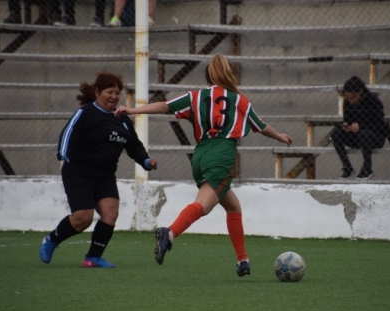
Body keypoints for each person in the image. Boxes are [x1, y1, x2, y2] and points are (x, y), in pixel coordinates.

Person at [113, 54, 293, 277]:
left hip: (200, 154)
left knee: (233, 207)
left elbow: (163, 106)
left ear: (207, 76)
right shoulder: (239, 100)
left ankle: (243, 261)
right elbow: (260, 125)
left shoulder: (196, 97)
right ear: (229, 74)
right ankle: (168, 234)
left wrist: (132, 110)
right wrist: (279, 137)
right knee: (204, 206)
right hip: (222, 154)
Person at [39, 71, 158, 268]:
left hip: (105, 176)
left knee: (110, 214)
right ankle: (51, 240)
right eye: (109, 92)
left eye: (117, 93)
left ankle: (92, 257)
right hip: (79, 173)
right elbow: (68, 134)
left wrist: (146, 161)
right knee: (82, 219)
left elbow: (133, 145)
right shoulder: (86, 113)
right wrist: (63, 153)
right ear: (97, 92)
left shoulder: (122, 119)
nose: (114, 96)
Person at [331, 76, 387, 179]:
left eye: (353, 97)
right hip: (356, 137)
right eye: (348, 98)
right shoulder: (347, 103)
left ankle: (367, 168)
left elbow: (379, 125)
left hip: (375, 137)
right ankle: (347, 167)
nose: (351, 101)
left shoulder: (374, 102)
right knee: (335, 133)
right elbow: (348, 119)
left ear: (360, 92)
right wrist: (346, 126)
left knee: (364, 134)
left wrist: (360, 127)